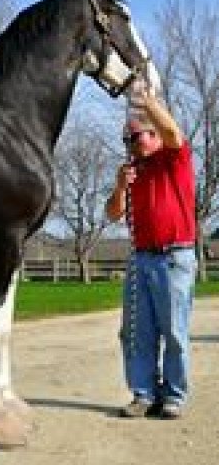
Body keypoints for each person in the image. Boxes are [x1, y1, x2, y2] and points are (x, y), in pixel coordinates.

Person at [105, 86, 196, 419]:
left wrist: (147, 102)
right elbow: (112, 214)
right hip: (140, 257)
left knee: (173, 330)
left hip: (174, 256)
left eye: (136, 136)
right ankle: (143, 393)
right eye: (126, 140)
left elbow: (173, 131)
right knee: (136, 331)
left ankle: (173, 395)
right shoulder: (132, 171)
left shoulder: (175, 157)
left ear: (154, 134)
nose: (131, 144)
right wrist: (119, 187)